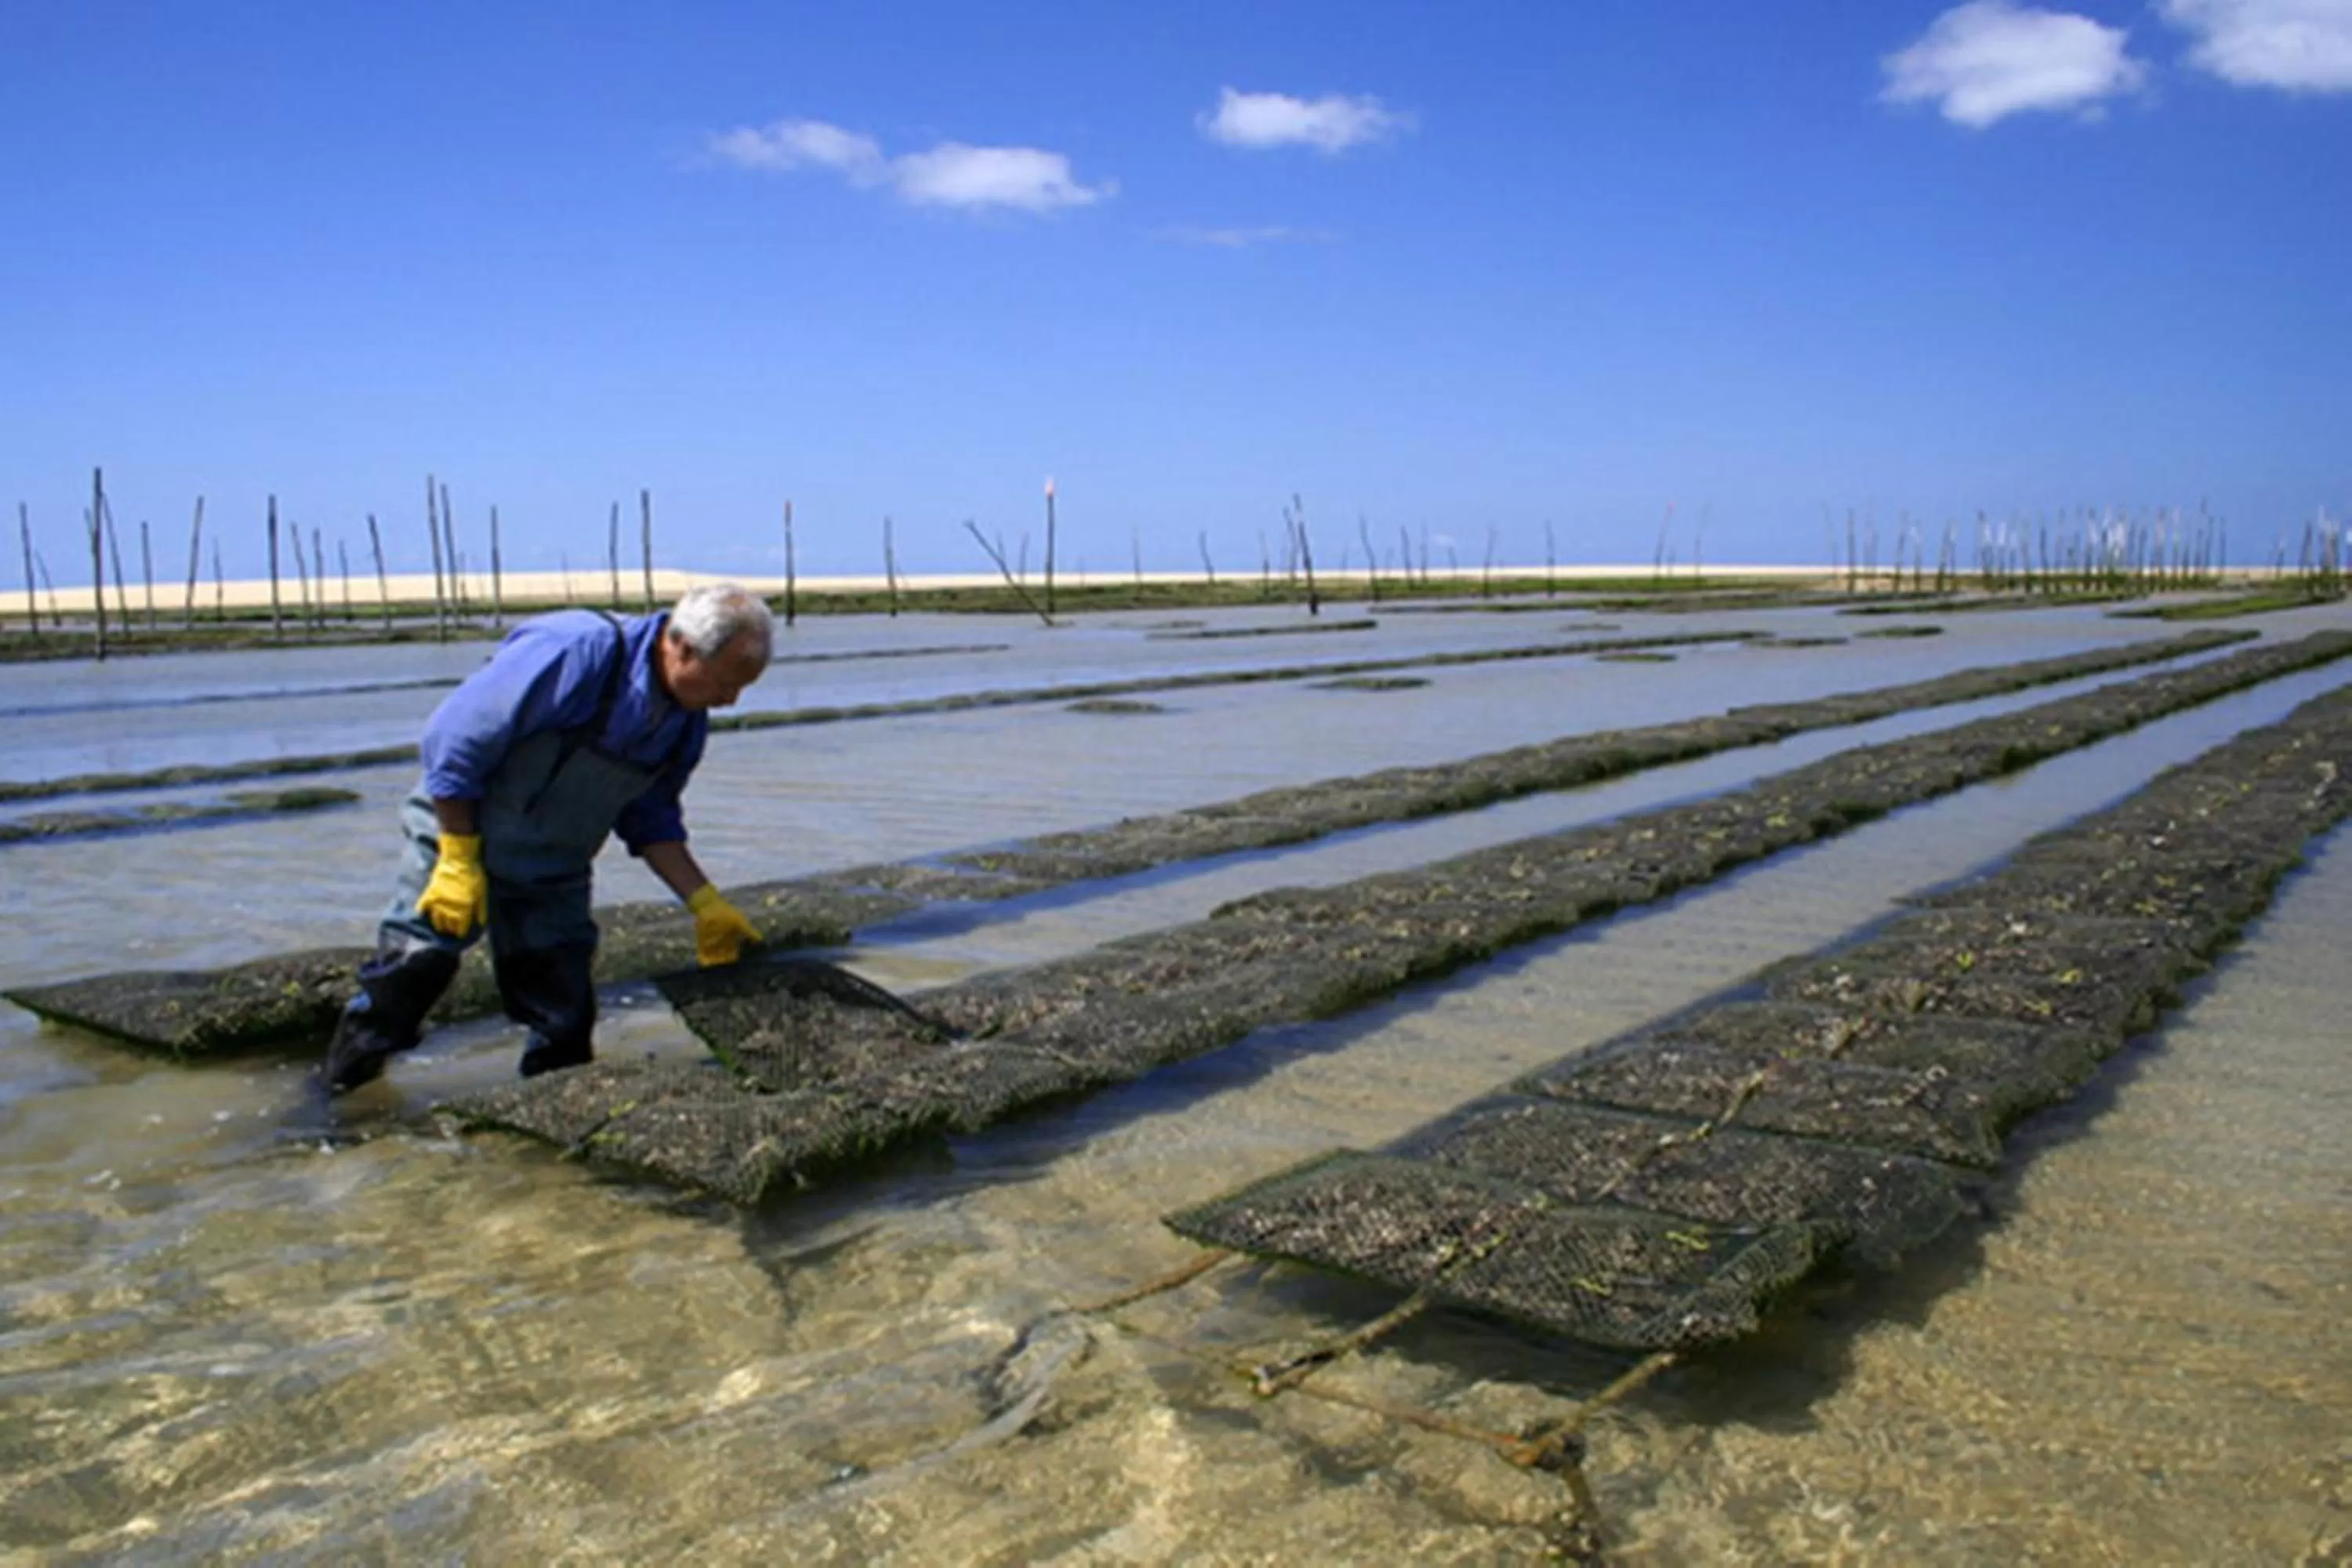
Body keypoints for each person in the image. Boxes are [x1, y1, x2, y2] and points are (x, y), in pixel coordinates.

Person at [321, 582, 774, 1093]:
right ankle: (336, 1109)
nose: (730, 700)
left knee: (563, 1013)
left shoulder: (685, 724)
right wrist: (457, 859)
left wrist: (704, 902)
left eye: (742, 689)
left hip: (553, 867)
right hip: (461, 833)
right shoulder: (577, 652)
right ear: (683, 647)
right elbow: (451, 742)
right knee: (412, 975)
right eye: (725, 683)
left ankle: (544, 1133)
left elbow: (651, 821)